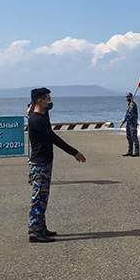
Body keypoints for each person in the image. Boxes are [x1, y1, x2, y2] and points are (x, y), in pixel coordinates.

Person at [27, 88, 87, 243]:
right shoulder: (37, 120)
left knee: (43, 197)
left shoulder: (40, 116)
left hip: (44, 161)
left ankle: (41, 227)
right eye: (47, 98)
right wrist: (74, 152)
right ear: (40, 100)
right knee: (39, 197)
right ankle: (34, 231)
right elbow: (54, 138)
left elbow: (43, 116)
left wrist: (41, 109)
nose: (49, 101)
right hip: (39, 163)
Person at [119, 92, 139, 157]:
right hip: (129, 123)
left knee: (134, 137)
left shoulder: (132, 104)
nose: (127, 98)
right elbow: (127, 114)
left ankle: (136, 152)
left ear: (131, 97)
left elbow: (129, 114)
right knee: (129, 137)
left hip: (132, 123)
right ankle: (130, 151)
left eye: (128, 97)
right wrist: (124, 121)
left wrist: (124, 120)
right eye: (126, 97)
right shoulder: (129, 105)